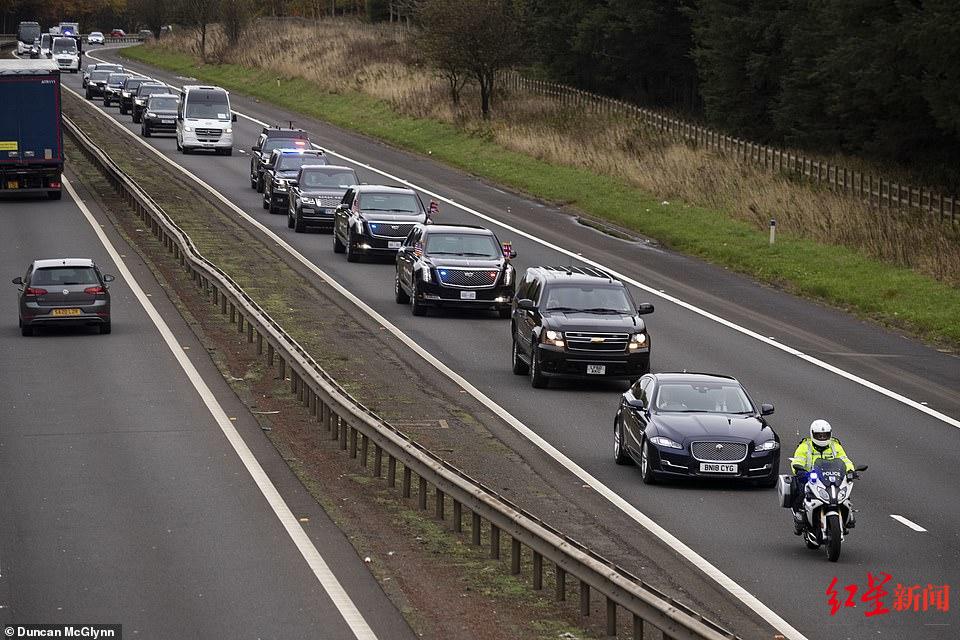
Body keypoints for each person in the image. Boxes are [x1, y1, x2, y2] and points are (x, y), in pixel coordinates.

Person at [789, 420, 855, 534]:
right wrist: (800, 470)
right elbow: (797, 461)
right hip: (811, 478)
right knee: (800, 491)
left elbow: (845, 460)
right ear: (813, 434)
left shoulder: (835, 446)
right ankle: (800, 516)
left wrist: (850, 471)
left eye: (825, 435)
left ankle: (847, 516)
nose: (822, 438)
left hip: (831, 477)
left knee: (844, 494)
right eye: (819, 435)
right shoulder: (805, 446)